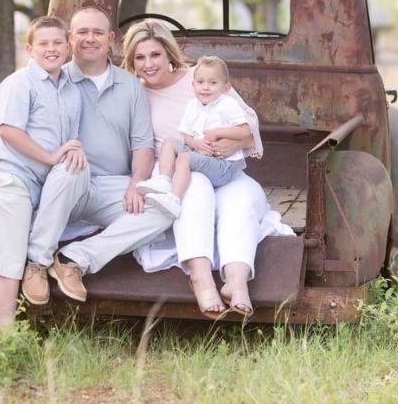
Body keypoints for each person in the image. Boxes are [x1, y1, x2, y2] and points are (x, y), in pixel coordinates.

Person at [0, 7, 174, 305]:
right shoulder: (56, 78)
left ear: (111, 38)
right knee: (72, 166)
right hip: (59, 185)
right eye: (83, 33)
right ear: (71, 39)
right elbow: (18, 124)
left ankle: (74, 259)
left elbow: (142, 145)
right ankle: (37, 261)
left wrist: (136, 184)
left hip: (108, 188)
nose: (90, 39)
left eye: (98, 32)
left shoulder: (130, 86)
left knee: (162, 209)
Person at [122, 20, 292, 317]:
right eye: (140, 57)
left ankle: (236, 282)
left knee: (243, 197)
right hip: (175, 168)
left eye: (155, 55)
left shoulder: (200, 78)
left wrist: (232, 143)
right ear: (131, 61)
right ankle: (201, 279)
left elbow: (247, 122)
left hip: (220, 164)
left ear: (168, 53)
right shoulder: (134, 92)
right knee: (195, 191)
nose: (149, 64)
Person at [0, 16, 88, 330]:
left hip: (32, 184)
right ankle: (7, 336)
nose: (51, 49)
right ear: (30, 48)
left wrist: (72, 149)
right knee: (7, 264)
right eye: (43, 43)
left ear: (68, 45)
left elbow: (67, 136)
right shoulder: (18, 84)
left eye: (57, 42)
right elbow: (9, 131)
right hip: (8, 179)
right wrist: (50, 156)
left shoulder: (70, 89)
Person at [140, 56, 249, 219]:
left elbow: (245, 132)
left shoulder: (228, 105)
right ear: (193, 85)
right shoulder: (193, 105)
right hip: (201, 153)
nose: (205, 87)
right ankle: (164, 180)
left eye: (213, 83)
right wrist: (195, 143)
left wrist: (218, 132)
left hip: (223, 165)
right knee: (170, 142)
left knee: (184, 158)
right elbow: (186, 135)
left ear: (225, 87)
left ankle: (174, 199)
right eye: (200, 82)